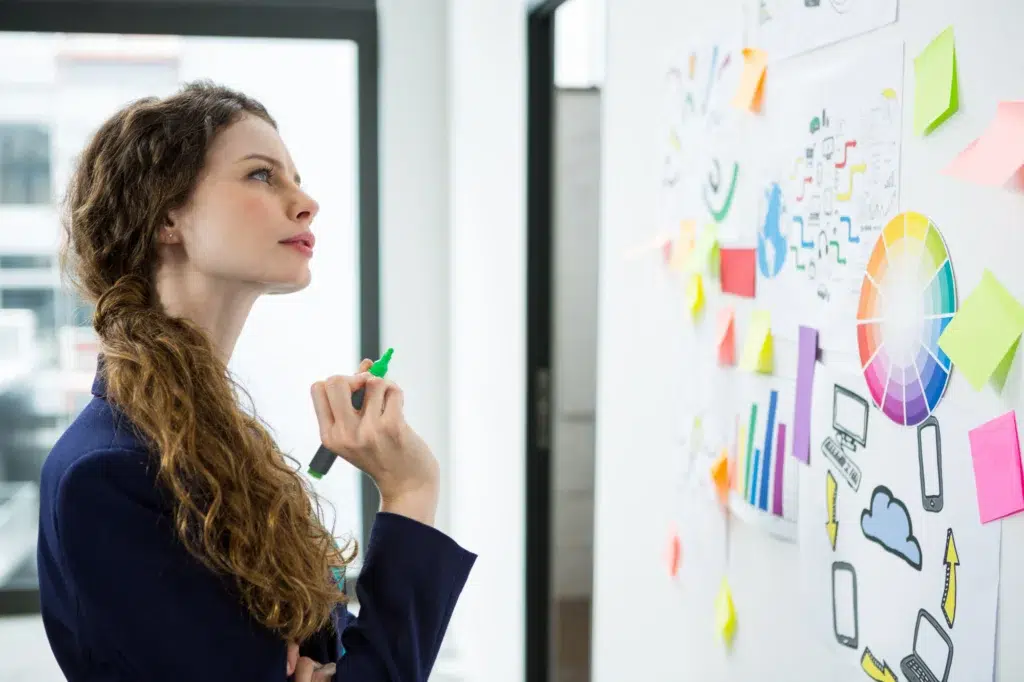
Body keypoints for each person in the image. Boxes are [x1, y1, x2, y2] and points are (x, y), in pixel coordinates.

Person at [36, 80, 476, 682]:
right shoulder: (112, 474)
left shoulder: (210, 442)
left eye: (293, 176)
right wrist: (409, 493)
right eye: (262, 176)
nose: (306, 203)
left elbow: (328, 643)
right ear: (167, 214)